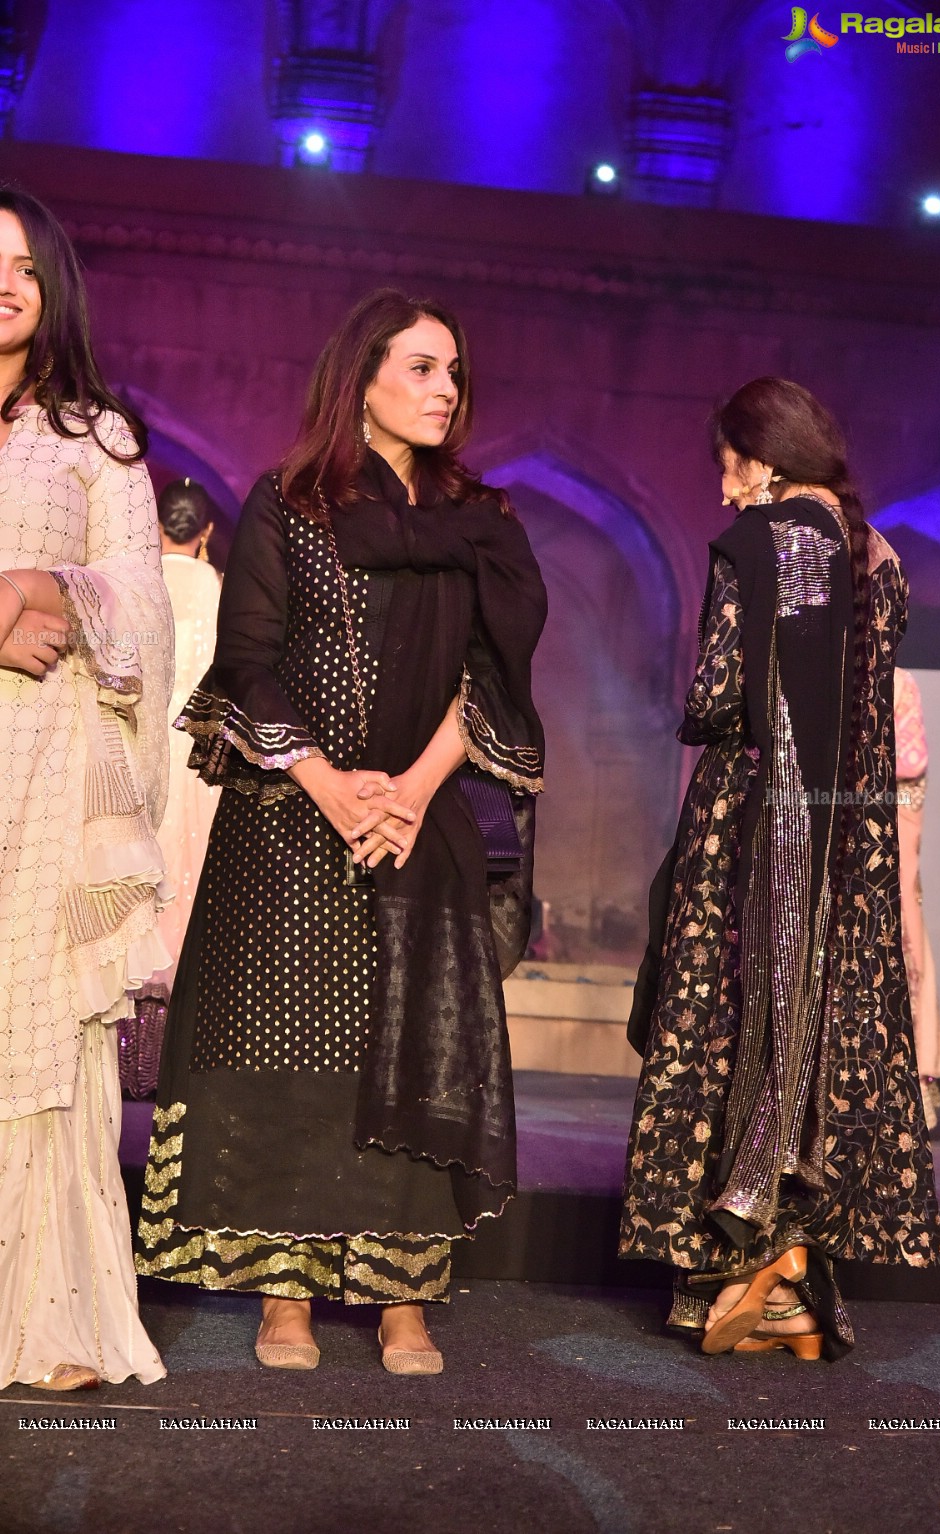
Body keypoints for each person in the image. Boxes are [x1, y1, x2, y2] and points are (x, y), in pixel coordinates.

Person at [135, 289, 546, 1375]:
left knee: (405, 1052)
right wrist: (329, 784)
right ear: (361, 377)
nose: (445, 390)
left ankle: (404, 1294)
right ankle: (286, 1292)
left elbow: (494, 678)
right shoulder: (289, 501)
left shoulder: (484, 526)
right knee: (288, 1053)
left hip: (417, 830)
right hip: (292, 822)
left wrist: (407, 791)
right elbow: (249, 658)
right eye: (420, 368)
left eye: (454, 372)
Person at [620, 377, 940, 1361]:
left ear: (764, 456)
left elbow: (721, 697)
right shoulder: (874, 555)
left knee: (730, 1030)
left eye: (728, 465)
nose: (723, 490)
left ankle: (740, 1269)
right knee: (804, 1042)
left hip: (754, 829)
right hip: (847, 839)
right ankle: (788, 1281)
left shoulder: (765, 541)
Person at [0, 188, 172, 1390]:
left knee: (39, 1016)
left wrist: (46, 587)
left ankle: (47, 1314)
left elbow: (142, 602)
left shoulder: (95, 439)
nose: (3, 281)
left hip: (48, 764)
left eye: (21, 263)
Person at [155, 478, 222, 984]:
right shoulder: (217, 586)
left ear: (155, 526)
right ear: (208, 530)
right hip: (199, 744)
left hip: (144, 740)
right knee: (193, 859)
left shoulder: (140, 580)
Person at [894, 666, 940, 1129]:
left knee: (902, 931)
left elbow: (910, 762)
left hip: (892, 819)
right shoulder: (832, 674)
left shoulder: (899, 682)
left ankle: (910, 1080)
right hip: (840, 819)